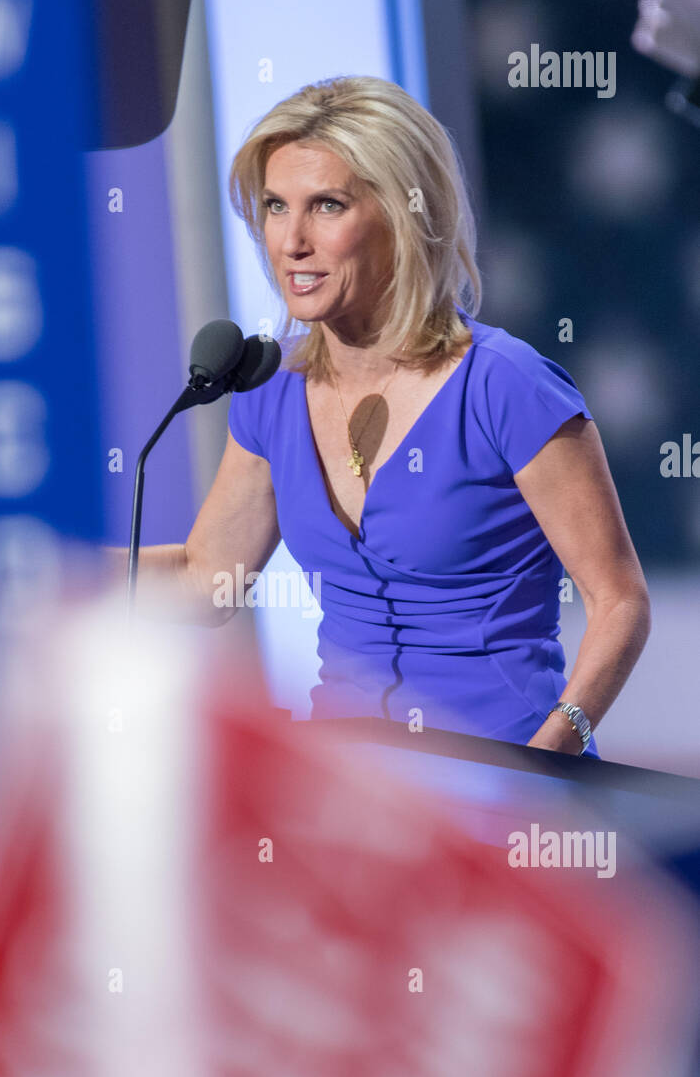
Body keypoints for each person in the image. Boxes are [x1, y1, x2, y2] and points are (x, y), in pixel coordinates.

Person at [109, 76, 651, 757]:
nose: (292, 241)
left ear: (402, 215)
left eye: (326, 206)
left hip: (510, 784)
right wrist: (52, 581)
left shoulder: (504, 385)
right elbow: (205, 579)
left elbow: (620, 601)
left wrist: (554, 750)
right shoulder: (269, 387)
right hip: (352, 798)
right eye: (276, 207)